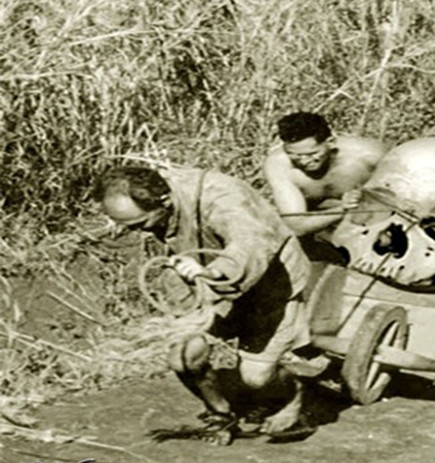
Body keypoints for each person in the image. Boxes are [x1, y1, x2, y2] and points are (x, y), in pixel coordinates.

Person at [97, 164, 320, 445]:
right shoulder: (159, 201)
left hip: (270, 283)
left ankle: (294, 393)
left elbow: (251, 242)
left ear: (164, 201)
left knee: (256, 378)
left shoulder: (222, 197)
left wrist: (215, 271)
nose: (139, 232)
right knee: (184, 357)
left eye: (141, 224)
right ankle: (221, 413)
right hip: (206, 282)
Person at [263, 112, 387, 257]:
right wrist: (344, 209)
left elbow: (411, 190)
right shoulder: (278, 165)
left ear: (331, 142)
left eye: (312, 153)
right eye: (295, 155)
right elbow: (296, 225)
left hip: (376, 222)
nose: (304, 161)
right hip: (320, 233)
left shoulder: (370, 154)